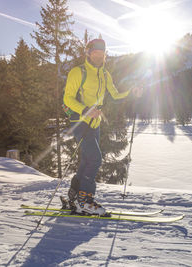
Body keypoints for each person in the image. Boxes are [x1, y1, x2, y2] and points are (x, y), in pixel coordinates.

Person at [63, 39, 142, 216]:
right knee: (96, 159)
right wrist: (86, 110)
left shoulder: (105, 74)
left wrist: (131, 93)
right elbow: (67, 99)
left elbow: (115, 96)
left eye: (102, 54)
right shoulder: (78, 72)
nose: (99, 56)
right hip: (79, 121)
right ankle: (85, 201)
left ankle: (73, 198)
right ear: (88, 53)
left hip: (95, 124)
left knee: (87, 160)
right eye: (95, 53)